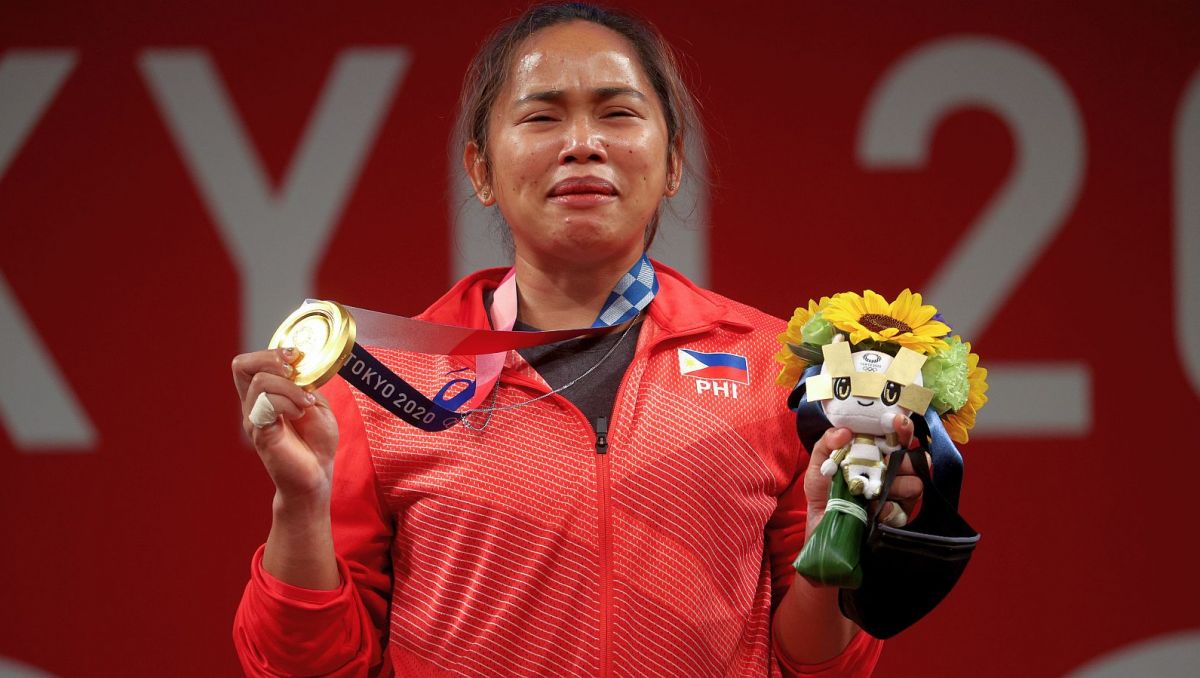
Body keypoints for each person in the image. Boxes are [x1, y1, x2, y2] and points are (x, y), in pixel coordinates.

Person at [231, 3, 923, 676]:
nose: (583, 143)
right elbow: (307, 668)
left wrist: (844, 526)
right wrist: (299, 505)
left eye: (618, 112)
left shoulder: (777, 368)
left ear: (673, 161)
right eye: (541, 116)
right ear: (480, 171)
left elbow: (818, 664)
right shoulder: (389, 380)